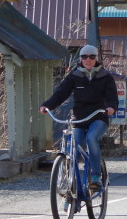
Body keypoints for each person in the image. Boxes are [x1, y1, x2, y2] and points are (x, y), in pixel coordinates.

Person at [40, 44, 118, 193]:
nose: (88, 60)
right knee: (73, 147)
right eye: (84, 57)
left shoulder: (105, 77)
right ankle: (71, 182)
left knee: (91, 138)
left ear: (96, 58)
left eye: (91, 57)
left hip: (98, 117)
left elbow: (112, 97)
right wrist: (47, 105)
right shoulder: (74, 76)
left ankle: (96, 176)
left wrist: (111, 107)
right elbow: (61, 93)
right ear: (80, 59)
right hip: (78, 118)